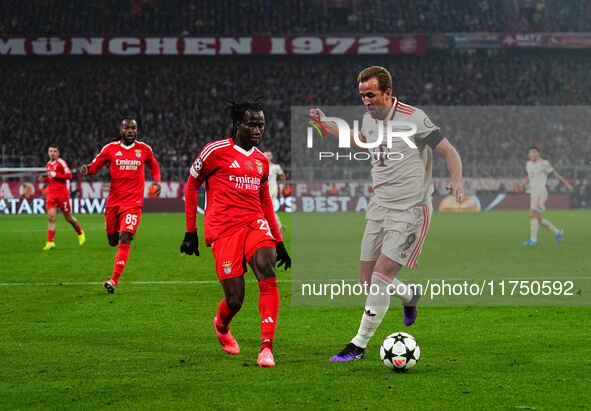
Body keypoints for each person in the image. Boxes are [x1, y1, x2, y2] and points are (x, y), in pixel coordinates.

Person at [310, 66, 464, 362]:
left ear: (387, 93)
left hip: (410, 211)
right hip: (379, 207)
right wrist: (325, 121)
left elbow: (449, 151)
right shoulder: (369, 120)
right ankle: (409, 295)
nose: (366, 101)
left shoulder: (413, 118)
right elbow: (355, 139)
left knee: (380, 278)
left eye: (371, 95)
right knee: (366, 281)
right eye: (362, 96)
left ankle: (358, 344)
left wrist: (456, 180)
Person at [180, 101, 292, 367]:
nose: (257, 129)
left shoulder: (261, 161)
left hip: (255, 223)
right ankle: (221, 325)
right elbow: (191, 186)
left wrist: (279, 241)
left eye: (261, 125)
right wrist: (190, 231)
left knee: (267, 269)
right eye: (252, 124)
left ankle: (266, 348)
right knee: (235, 299)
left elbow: (265, 203)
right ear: (237, 124)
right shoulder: (214, 151)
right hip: (223, 229)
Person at [80, 119, 161, 294]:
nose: (130, 131)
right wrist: (88, 169)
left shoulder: (144, 149)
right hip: (114, 203)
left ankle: (113, 280)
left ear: (137, 131)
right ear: (121, 130)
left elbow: (154, 166)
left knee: (125, 237)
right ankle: (114, 239)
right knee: (112, 240)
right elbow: (96, 165)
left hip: (133, 204)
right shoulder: (110, 149)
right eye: (127, 128)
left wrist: (157, 181)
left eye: (133, 128)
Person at [519, 146, 572, 245]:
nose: (532, 154)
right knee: (538, 218)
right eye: (530, 152)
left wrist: (566, 183)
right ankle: (557, 232)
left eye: (534, 152)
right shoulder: (528, 164)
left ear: (538, 154)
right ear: (528, 155)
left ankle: (533, 240)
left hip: (541, 192)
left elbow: (555, 174)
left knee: (532, 214)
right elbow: (530, 176)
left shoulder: (544, 163)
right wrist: (523, 184)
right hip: (532, 192)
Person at [41, 145, 85, 250]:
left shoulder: (61, 162)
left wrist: (56, 175)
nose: (52, 153)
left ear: (58, 153)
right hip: (51, 194)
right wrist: (46, 179)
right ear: (48, 153)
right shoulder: (48, 164)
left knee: (68, 218)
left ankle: (80, 233)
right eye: (50, 151)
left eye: (54, 151)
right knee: (51, 218)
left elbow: (69, 176)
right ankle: (50, 242)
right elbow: (52, 179)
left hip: (62, 195)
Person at [263, 151, 287, 236]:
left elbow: (282, 175)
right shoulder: (261, 166)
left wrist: (284, 186)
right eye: (266, 155)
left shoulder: (276, 167)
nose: (268, 156)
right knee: (266, 211)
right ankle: (278, 227)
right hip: (264, 191)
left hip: (272, 191)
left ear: (271, 157)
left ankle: (277, 228)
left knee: (270, 210)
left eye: (269, 155)